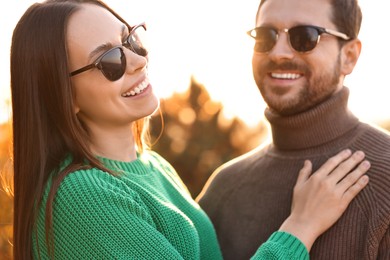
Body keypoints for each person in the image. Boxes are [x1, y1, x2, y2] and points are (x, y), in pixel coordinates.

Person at [10, 0, 370, 259]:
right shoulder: (81, 194)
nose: (138, 60)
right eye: (110, 61)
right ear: (62, 96)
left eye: (131, 40)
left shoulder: (153, 167)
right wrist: (300, 229)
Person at [197, 0, 390, 259]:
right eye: (266, 36)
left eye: (305, 36)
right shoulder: (223, 189)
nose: (278, 53)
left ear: (349, 56)